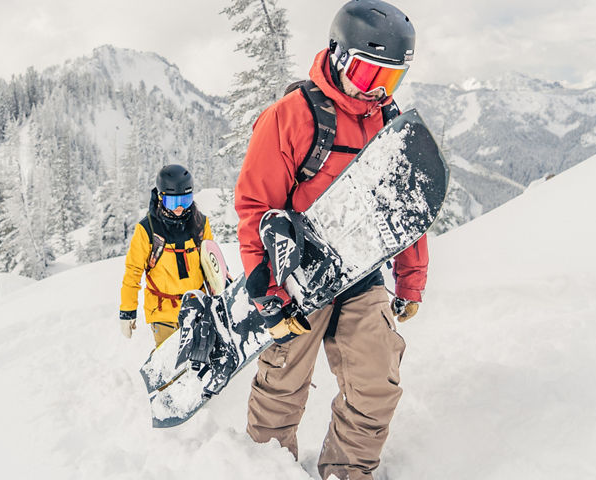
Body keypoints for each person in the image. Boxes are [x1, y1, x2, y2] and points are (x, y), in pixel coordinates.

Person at [233, 1, 426, 478]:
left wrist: (411, 279)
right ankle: (265, 469)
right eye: (366, 75)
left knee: (376, 383)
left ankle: (347, 471)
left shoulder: (387, 122)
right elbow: (256, 206)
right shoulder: (291, 116)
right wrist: (265, 290)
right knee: (283, 382)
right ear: (339, 56)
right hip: (299, 274)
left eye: (389, 80)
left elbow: (405, 211)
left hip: (361, 273)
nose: (376, 91)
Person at [119, 164, 213, 347]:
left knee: (201, 362)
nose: (179, 208)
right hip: (163, 311)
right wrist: (127, 311)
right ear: (161, 197)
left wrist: (224, 287)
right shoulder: (148, 229)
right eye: (173, 202)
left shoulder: (200, 223)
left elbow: (212, 263)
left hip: (197, 307)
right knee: (172, 365)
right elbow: (133, 271)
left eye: (185, 201)